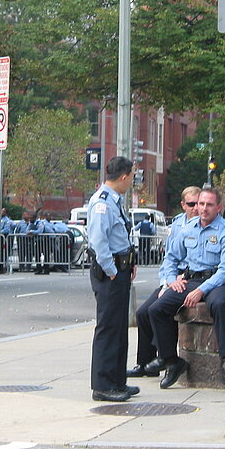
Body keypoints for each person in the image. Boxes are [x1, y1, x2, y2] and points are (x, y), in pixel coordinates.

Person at [144, 187, 225, 389]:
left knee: (219, 305)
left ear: (219, 208)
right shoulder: (188, 229)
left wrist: (201, 290)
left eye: (209, 205)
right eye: (200, 204)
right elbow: (170, 258)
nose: (203, 209)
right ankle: (172, 361)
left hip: (219, 282)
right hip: (191, 279)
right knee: (156, 309)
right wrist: (172, 280)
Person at [128, 186, 201, 380]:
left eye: (199, 203)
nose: (196, 208)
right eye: (191, 204)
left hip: (190, 277)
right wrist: (165, 283)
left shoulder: (202, 225)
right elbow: (169, 258)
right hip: (171, 276)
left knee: (162, 309)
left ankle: (167, 359)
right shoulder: (177, 224)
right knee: (143, 313)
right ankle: (144, 363)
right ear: (183, 205)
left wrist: (178, 280)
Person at [87, 156, 138, 402]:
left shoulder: (115, 201)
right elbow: (99, 241)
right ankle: (103, 385)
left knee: (119, 328)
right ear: (124, 176)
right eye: (132, 177)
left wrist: (130, 264)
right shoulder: (102, 203)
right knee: (108, 328)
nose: (132, 181)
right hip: (110, 274)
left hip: (121, 269)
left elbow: (120, 236)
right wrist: (113, 271)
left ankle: (117, 381)